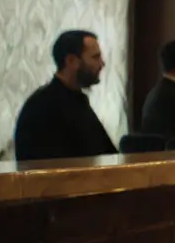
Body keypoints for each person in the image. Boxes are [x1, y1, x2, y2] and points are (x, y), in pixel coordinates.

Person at [14, 30, 117, 161]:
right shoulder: (41, 107)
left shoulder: (77, 100)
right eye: (95, 57)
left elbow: (108, 154)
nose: (102, 64)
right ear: (71, 61)